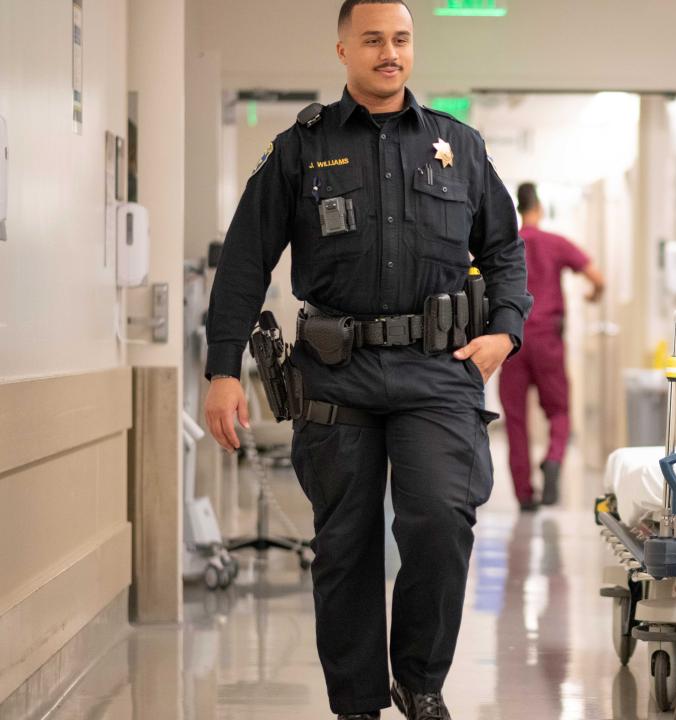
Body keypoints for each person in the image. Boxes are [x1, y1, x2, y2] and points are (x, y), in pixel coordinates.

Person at [201, 2, 531, 718]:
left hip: (437, 371)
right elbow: (246, 261)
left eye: (402, 39)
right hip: (336, 371)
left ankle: (419, 680)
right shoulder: (301, 148)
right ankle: (355, 704)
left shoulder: (458, 146)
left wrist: (506, 330)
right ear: (344, 50)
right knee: (345, 547)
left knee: (442, 519)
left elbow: (505, 250)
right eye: (374, 40)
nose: (391, 53)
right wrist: (223, 369)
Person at [498, 183, 604, 510]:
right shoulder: (555, 243)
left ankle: (525, 495)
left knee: (515, 419)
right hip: (547, 339)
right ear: (539, 208)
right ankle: (554, 457)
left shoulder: (506, 244)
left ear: (518, 209)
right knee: (559, 411)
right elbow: (597, 279)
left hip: (511, 339)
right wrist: (592, 296)